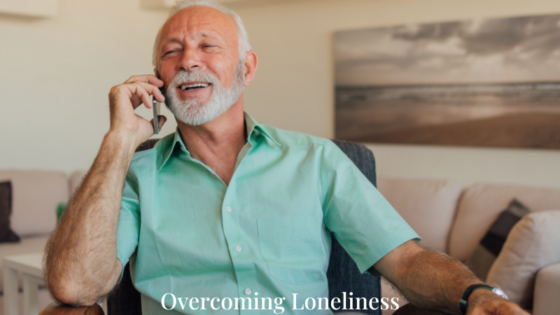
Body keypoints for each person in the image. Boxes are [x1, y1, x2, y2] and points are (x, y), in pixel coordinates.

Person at [44, 1, 528, 314]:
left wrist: (476, 295)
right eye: (172, 53)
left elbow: (404, 259)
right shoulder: (135, 174)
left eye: (208, 46)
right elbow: (74, 286)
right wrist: (118, 140)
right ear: (157, 80)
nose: (188, 60)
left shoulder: (318, 160)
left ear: (246, 67)